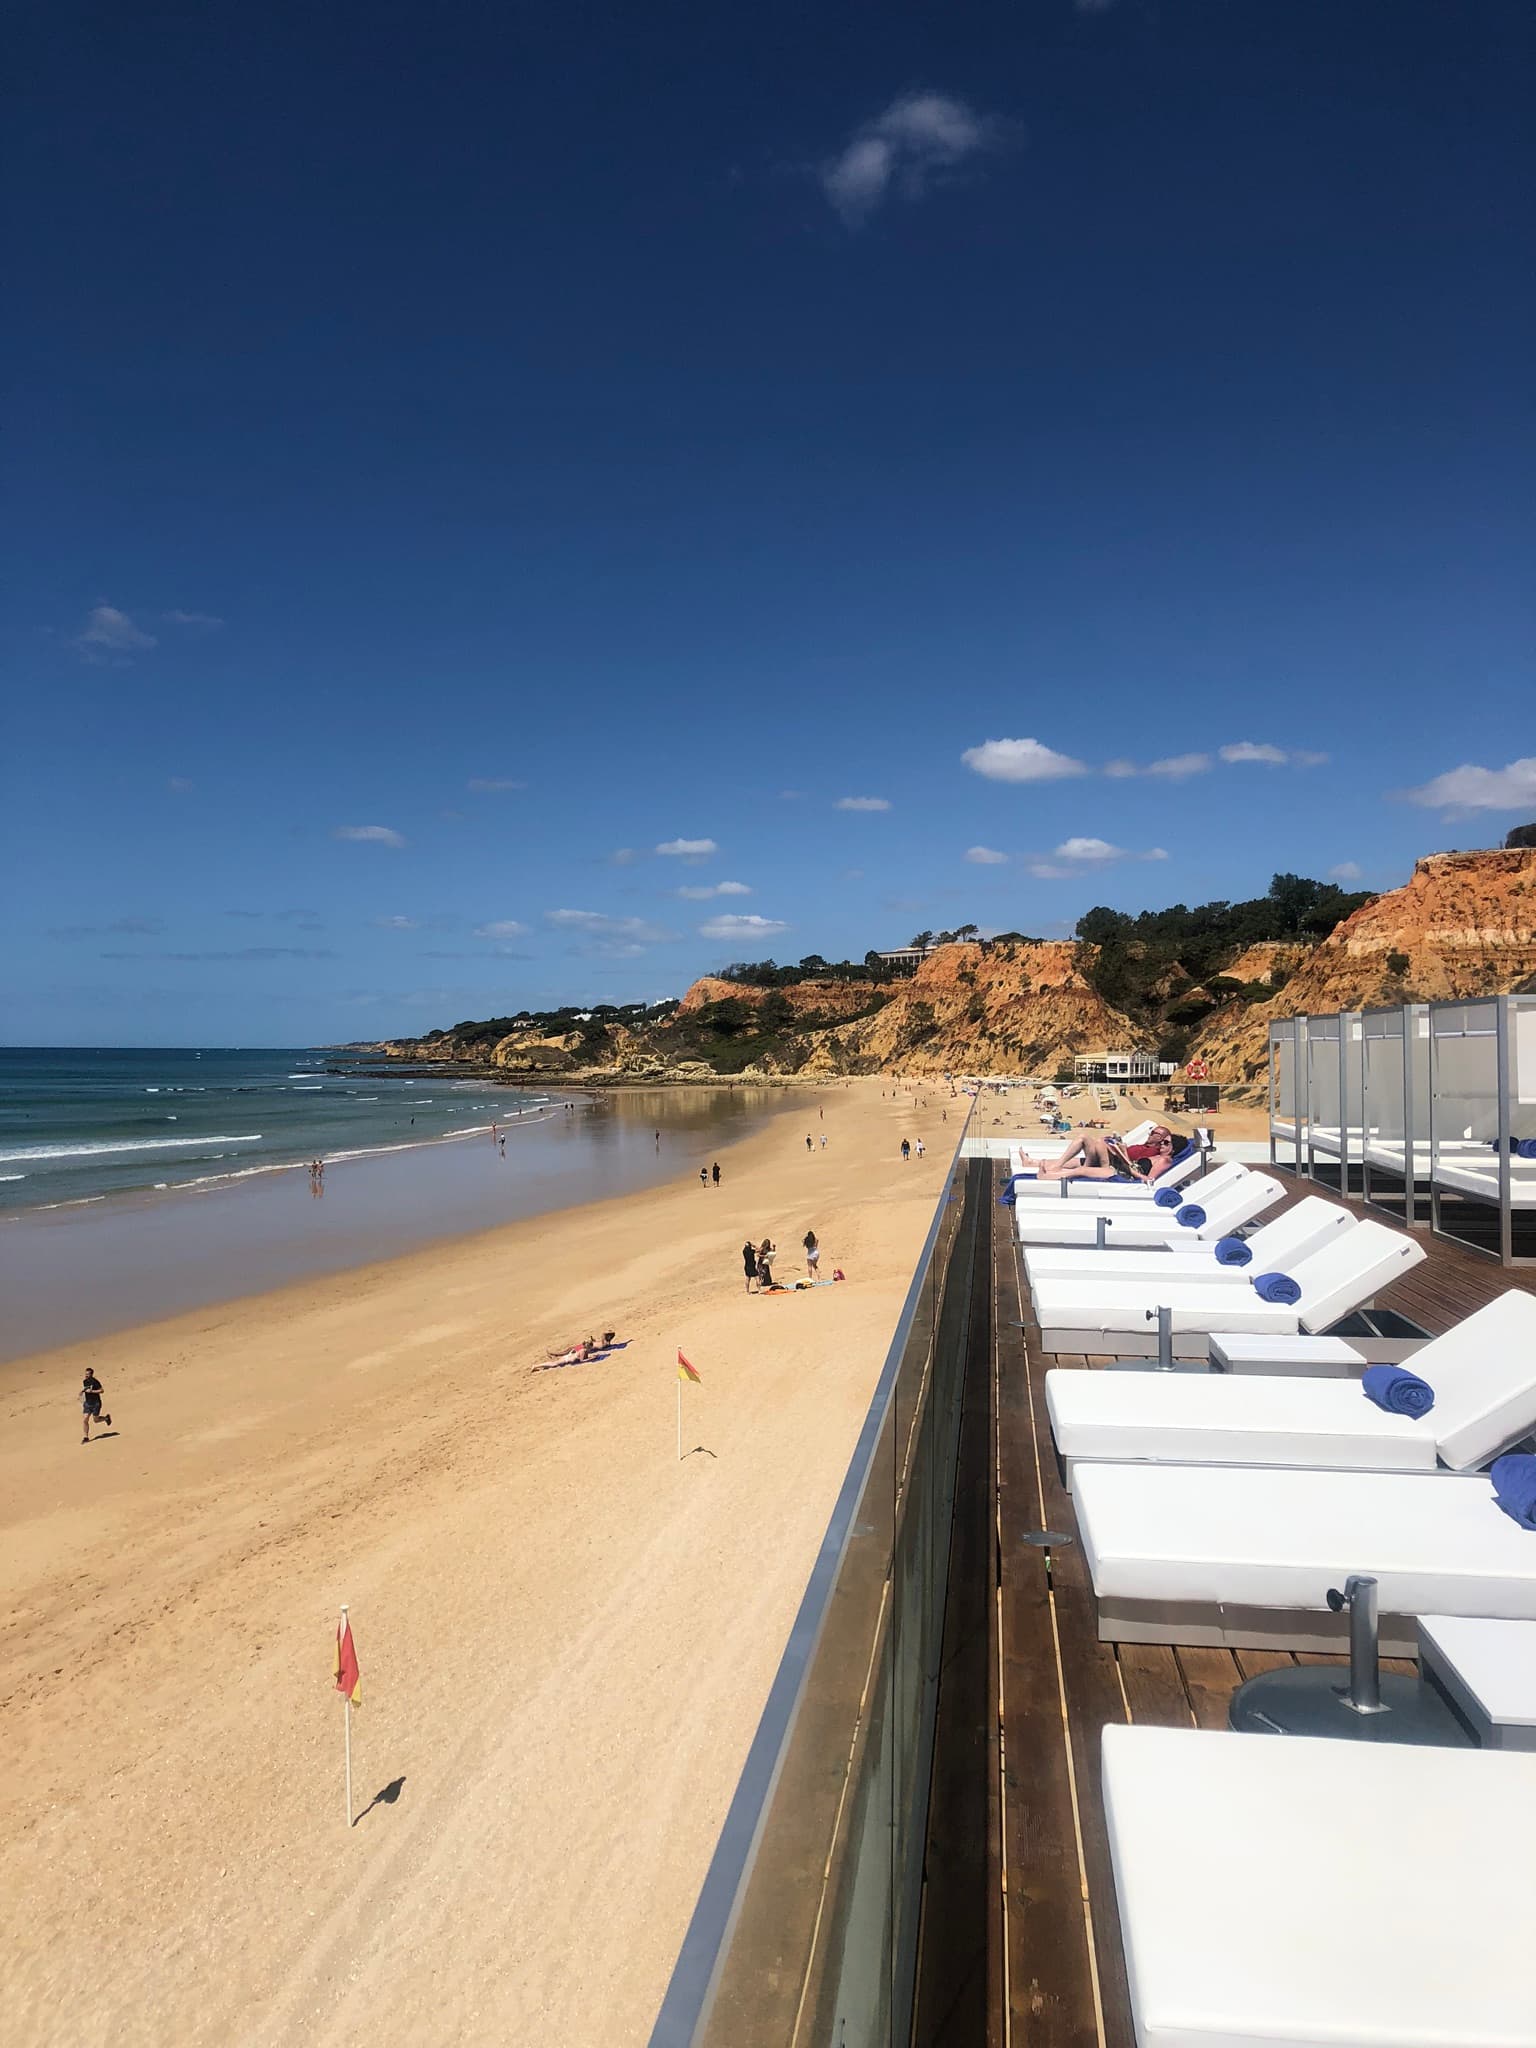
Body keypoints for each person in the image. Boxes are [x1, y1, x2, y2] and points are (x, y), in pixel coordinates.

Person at [1035, 1125, 1178, 1184]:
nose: (1162, 1145)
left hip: (1123, 1173)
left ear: (1173, 1148)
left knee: (1081, 1169)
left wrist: (1126, 1161)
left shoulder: (1165, 1160)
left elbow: (1149, 1180)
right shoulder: (1157, 1156)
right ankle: (1048, 1171)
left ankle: (1047, 1177)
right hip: (1122, 1167)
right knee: (1086, 1142)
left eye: (1166, 1143)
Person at [80, 1370, 111, 1444]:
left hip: (96, 1403)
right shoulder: (84, 1381)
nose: (86, 1375)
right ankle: (86, 1437)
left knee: (96, 1420)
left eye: (88, 1374)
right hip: (88, 1403)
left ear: (91, 1374)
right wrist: (82, 1392)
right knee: (85, 1419)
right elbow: (86, 1388)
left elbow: (102, 1390)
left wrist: (92, 1391)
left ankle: (106, 1418)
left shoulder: (95, 1382)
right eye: (85, 1374)